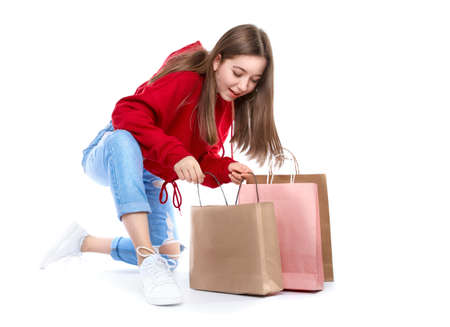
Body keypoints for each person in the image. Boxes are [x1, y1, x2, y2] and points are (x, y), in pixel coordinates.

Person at [40, 24, 284, 306]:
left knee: (168, 257)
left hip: (152, 172)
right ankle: (146, 259)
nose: (243, 86)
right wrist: (176, 154)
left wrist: (224, 169)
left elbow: (202, 159)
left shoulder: (226, 106)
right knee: (123, 140)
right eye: (238, 73)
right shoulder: (187, 80)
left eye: (253, 80)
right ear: (218, 61)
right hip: (112, 152)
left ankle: (82, 242)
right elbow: (126, 113)